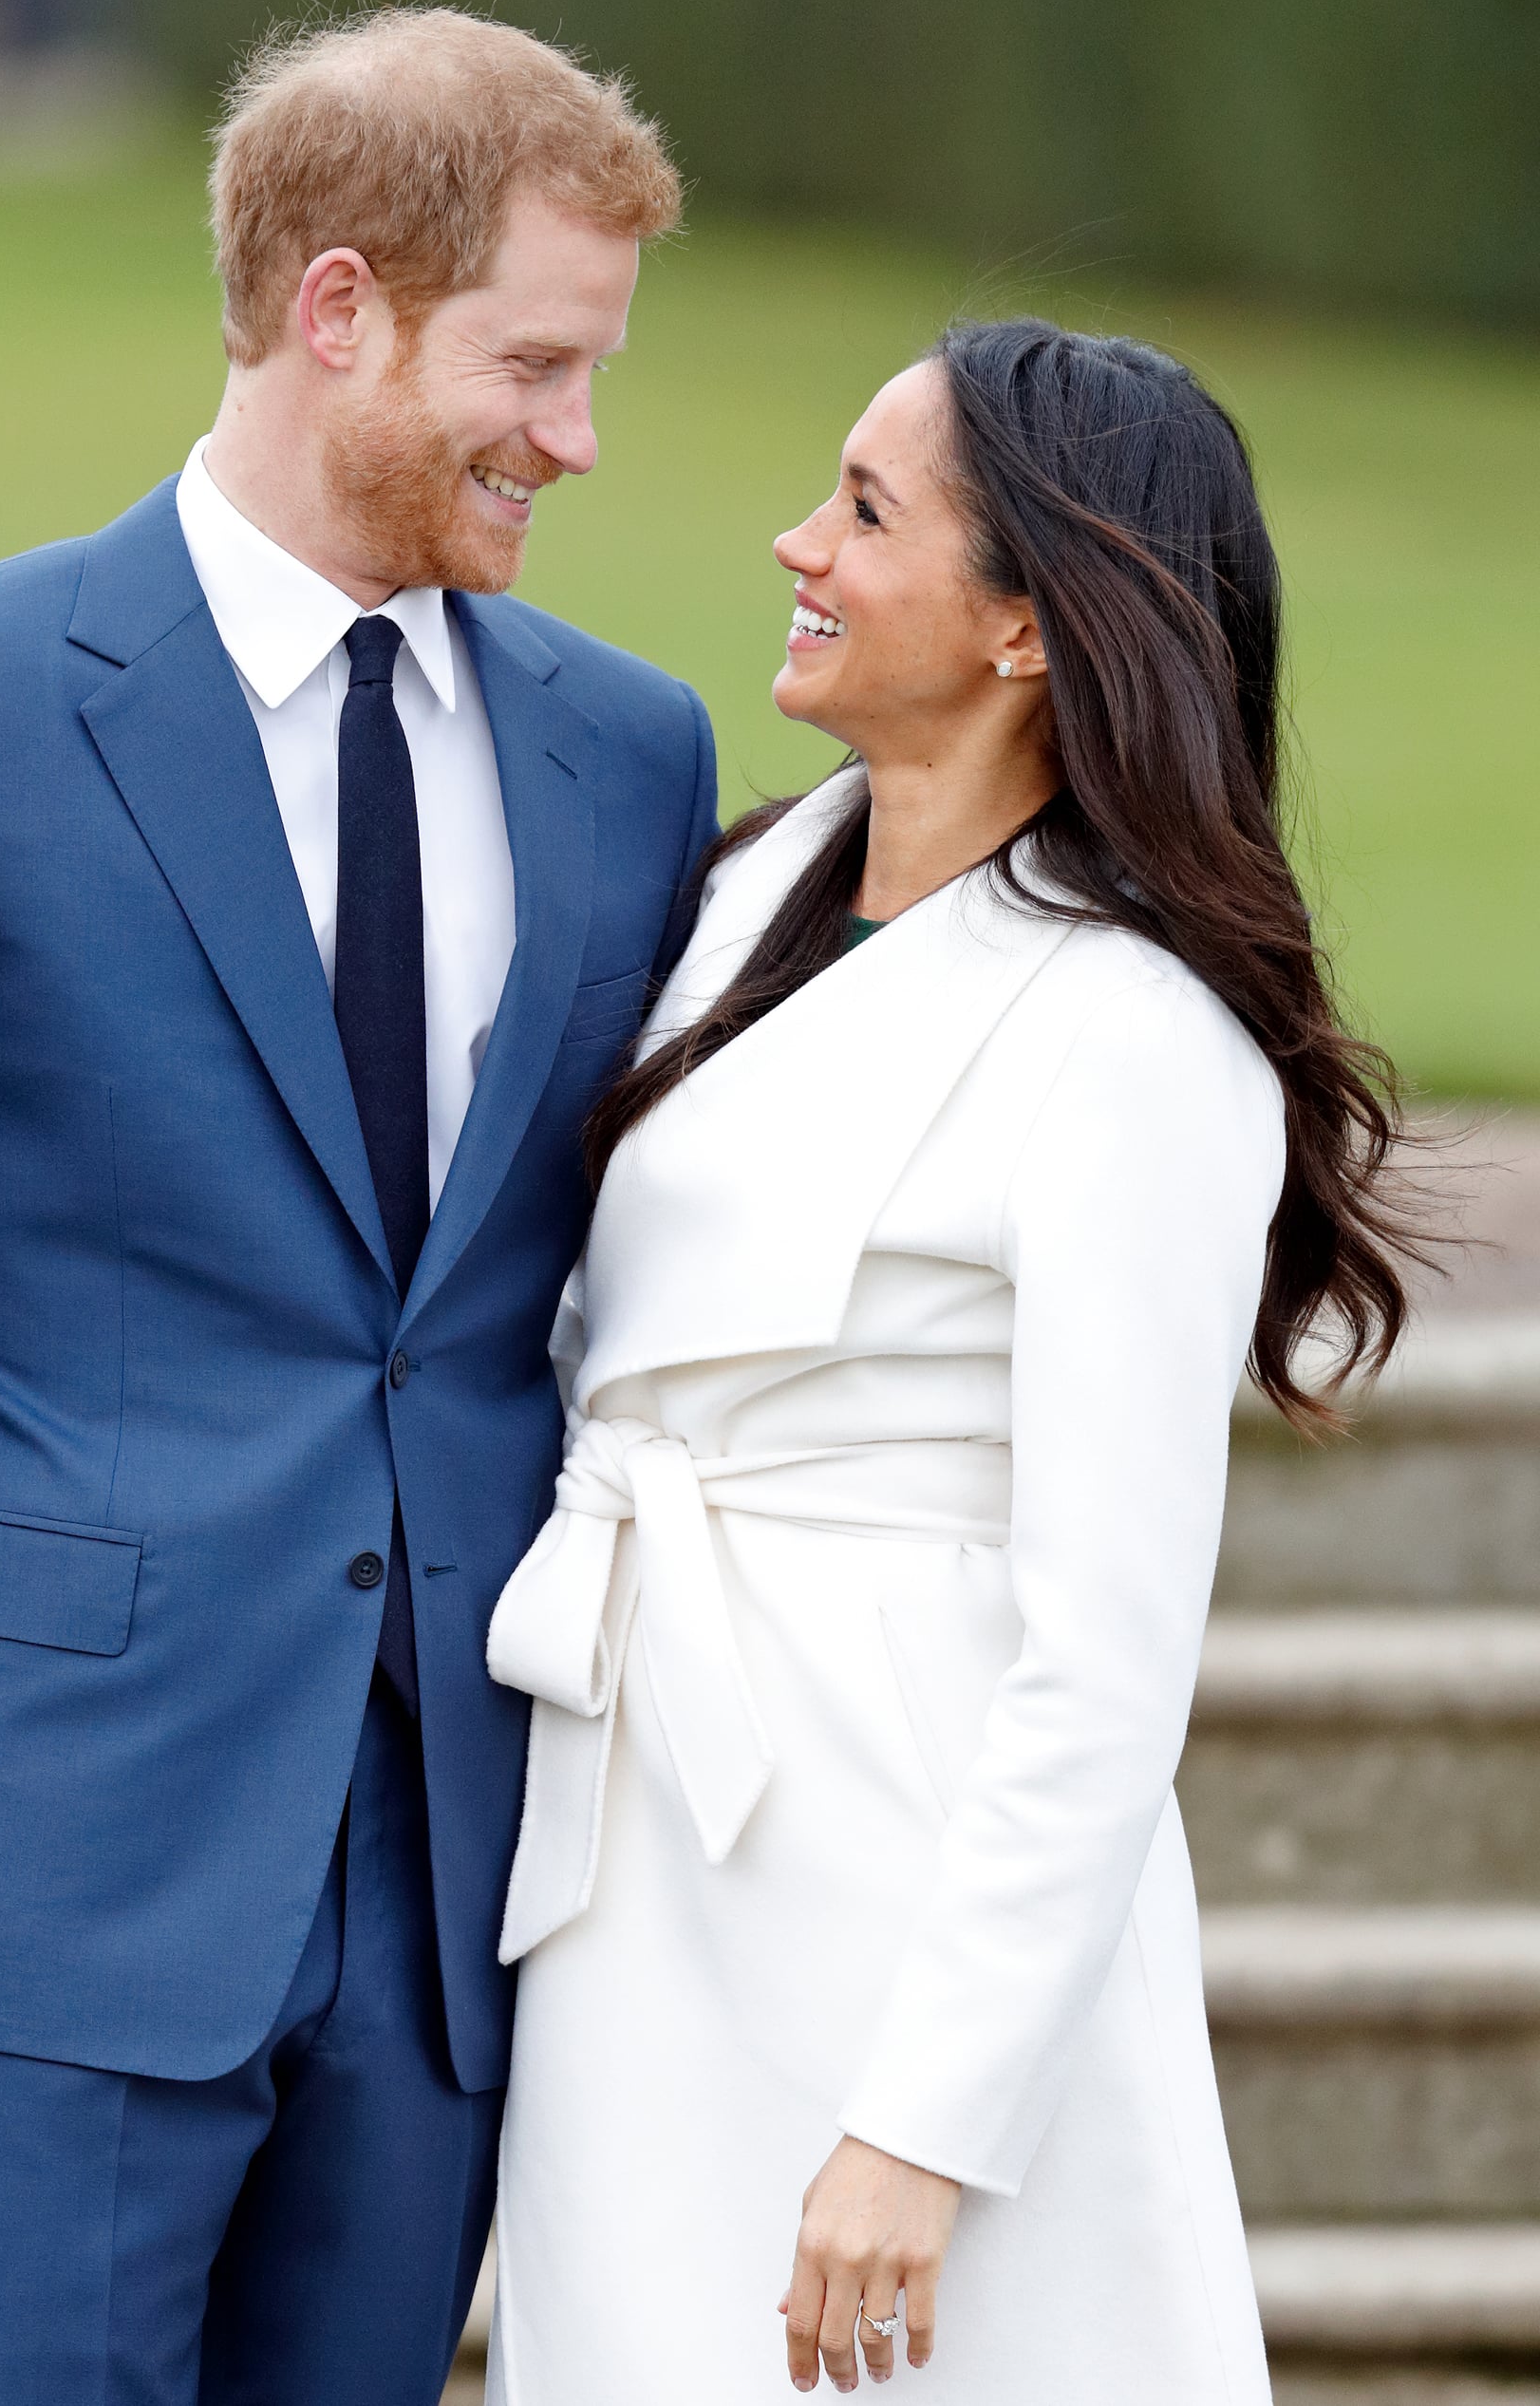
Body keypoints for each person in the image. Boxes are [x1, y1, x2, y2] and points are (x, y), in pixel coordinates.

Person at [0, 7, 710, 2406]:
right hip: (53, 1864)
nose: (577, 435)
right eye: (534, 364)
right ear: (341, 308)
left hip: (461, 1879)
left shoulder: (627, 752)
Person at [486, 319, 1421, 2401]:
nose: (793, 539)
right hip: (639, 1846)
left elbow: (1105, 1659)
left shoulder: (1132, 1036)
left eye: (866, 511)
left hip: (906, 1898)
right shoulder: (734, 897)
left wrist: (925, 2124)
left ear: (1025, 625)